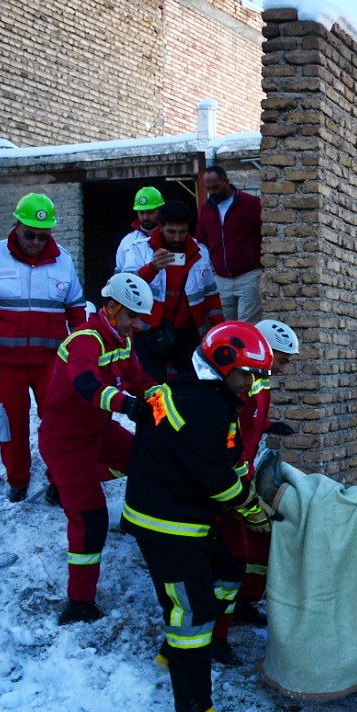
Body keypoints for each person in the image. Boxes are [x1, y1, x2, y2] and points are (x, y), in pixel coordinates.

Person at [123, 321, 275, 712]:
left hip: (183, 515)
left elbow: (220, 462)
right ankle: (193, 706)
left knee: (228, 572)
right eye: (247, 374)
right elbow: (217, 479)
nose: (251, 384)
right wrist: (254, 511)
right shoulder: (204, 407)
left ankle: (173, 654)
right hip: (167, 524)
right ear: (222, 366)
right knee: (192, 611)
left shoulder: (197, 394)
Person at [0, 193, 86, 502]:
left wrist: (82, 352)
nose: (36, 241)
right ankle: (18, 479)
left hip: (50, 363)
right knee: (10, 425)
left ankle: (59, 479)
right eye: (30, 234)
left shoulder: (63, 261)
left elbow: (77, 311)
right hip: (3, 364)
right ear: (16, 225)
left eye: (43, 235)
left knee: (59, 423)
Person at [39, 273, 156, 624]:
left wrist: (161, 398)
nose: (137, 324)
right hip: (67, 444)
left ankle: (65, 486)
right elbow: (86, 384)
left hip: (99, 431)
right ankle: (79, 603)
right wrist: (125, 405)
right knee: (91, 520)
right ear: (112, 306)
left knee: (145, 459)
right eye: (132, 316)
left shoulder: (122, 337)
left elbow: (137, 377)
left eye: (139, 318)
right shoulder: (86, 339)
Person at [218, 319, 299, 640]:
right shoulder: (243, 387)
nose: (283, 368)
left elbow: (248, 427)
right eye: (282, 360)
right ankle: (220, 631)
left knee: (260, 542)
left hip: (242, 478)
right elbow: (229, 437)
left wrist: (268, 426)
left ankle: (246, 600)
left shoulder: (259, 384)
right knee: (232, 560)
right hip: (229, 486)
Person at [124, 200, 223, 382]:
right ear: (160, 227)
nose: (177, 238)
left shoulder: (200, 252)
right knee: (152, 388)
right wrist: (152, 267)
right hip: (148, 332)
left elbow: (211, 296)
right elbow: (125, 288)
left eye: (182, 232)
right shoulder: (138, 250)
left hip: (187, 334)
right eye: (171, 232)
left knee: (193, 388)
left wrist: (218, 330)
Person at [196, 165, 262, 323]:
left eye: (216, 187)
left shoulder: (250, 203)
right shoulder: (206, 209)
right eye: (209, 188)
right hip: (221, 278)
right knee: (224, 325)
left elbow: (263, 233)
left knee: (247, 324)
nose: (212, 192)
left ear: (226, 181)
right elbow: (202, 240)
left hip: (249, 275)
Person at [114, 186, 164, 273]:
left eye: (150, 212)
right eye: (141, 212)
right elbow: (118, 273)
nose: (145, 217)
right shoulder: (127, 241)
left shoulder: (171, 238)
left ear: (160, 210)